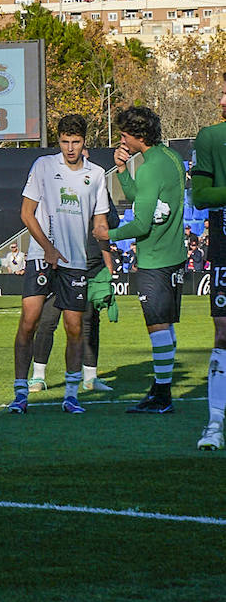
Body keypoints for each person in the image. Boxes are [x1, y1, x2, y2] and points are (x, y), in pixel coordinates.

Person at [7, 116, 109, 414]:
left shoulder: (98, 174)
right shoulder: (43, 166)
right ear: (58, 141)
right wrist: (48, 248)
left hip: (76, 262)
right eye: (64, 141)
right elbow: (27, 213)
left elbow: (100, 222)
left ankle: (72, 395)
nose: (70, 147)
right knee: (29, 321)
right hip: (41, 257)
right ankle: (20, 393)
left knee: (75, 328)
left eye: (75, 141)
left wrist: (107, 258)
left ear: (84, 141)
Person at [96, 106, 187, 414]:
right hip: (173, 254)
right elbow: (142, 199)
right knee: (166, 325)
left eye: (123, 134)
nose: (121, 139)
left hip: (156, 258)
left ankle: (162, 397)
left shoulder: (150, 167)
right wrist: (123, 170)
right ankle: (160, 389)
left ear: (137, 136)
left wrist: (106, 235)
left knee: (157, 326)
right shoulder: (168, 157)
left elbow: (142, 224)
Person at [189, 72, 226, 449]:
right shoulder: (211, 138)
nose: (221, 100)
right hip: (225, 248)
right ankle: (215, 423)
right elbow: (199, 196)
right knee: (224, 332)